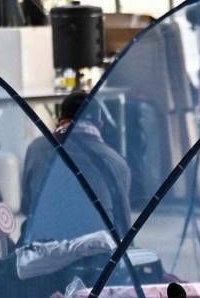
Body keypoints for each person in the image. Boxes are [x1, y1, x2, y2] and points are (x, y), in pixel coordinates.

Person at [22, 89, 133, 236]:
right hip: (97, 246)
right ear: (100, 124)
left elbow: (27, 206)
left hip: (44, 244)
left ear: (60, 119)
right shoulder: (116, 162)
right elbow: (123, 223)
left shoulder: (37, 149)